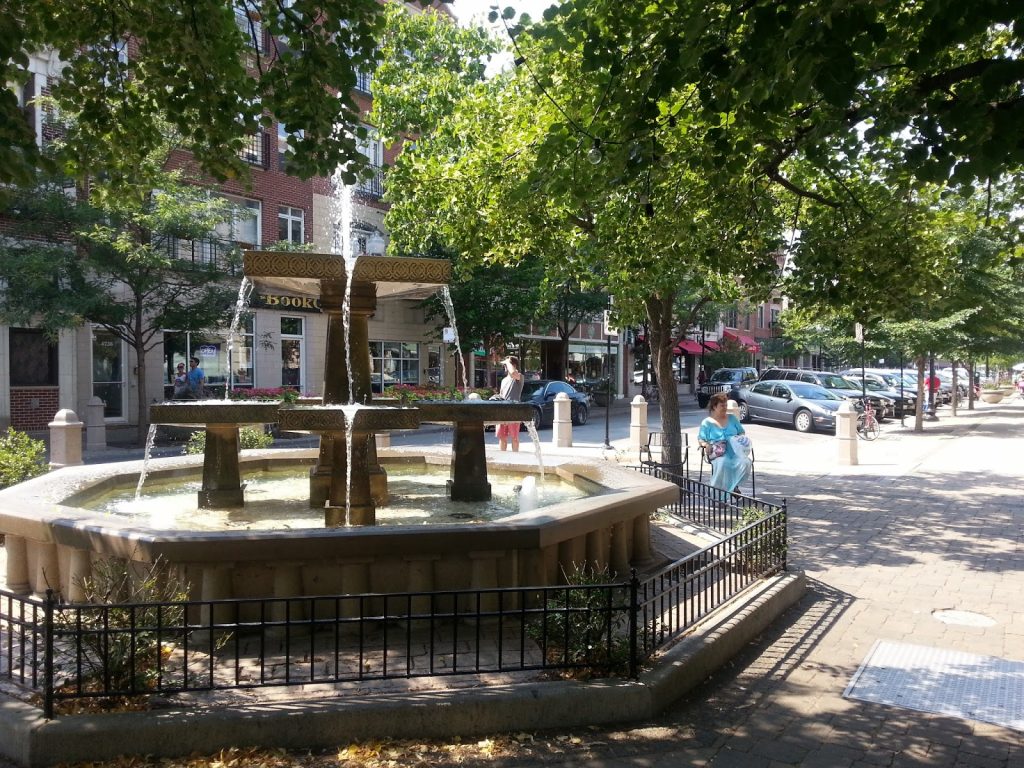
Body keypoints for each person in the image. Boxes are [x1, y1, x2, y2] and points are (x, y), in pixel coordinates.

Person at [697, 392, 752, 494]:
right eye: (722, 405)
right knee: (723, 463)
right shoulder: (707, 422)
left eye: (726, 405)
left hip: (735, 451)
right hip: (718, 453)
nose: (725, 407)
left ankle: (732, 486)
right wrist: (706, 445)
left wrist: (740, 438)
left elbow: (741, 431)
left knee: (745, 463)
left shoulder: (732, 418)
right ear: (714, 407)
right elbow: (701, 439)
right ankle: (719, 494)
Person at [495, 355, 524, 451]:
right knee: (502, 437)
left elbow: (513, 373)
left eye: (506, 365)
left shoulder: (519, 377)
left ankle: (515, 458)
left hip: (514, 411)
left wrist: (508, 362)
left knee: (514, 437)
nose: (505, 367)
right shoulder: (503, 380)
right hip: (502, 411)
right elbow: (501, 395)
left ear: (513, 365)